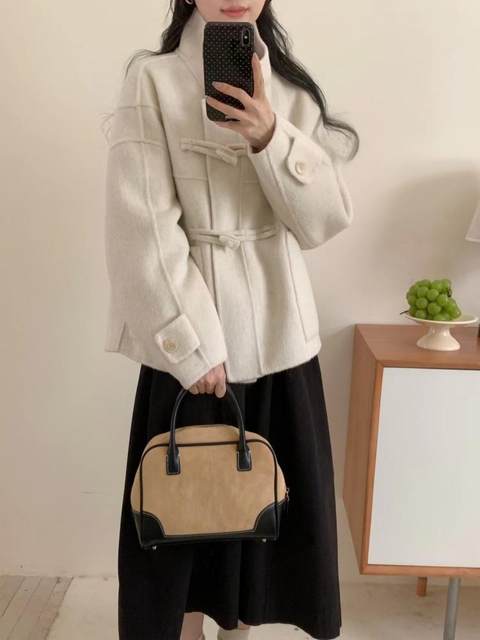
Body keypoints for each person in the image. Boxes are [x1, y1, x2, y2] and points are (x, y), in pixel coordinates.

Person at [103, 1, 359, 639]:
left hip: (279, 339)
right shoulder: (153, 80)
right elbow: (141, 228)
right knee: (183, 521)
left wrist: (271, 136)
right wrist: (190, 346)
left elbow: (323, 222)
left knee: (262, 523)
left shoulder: (292, 91)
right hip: (193, 348)